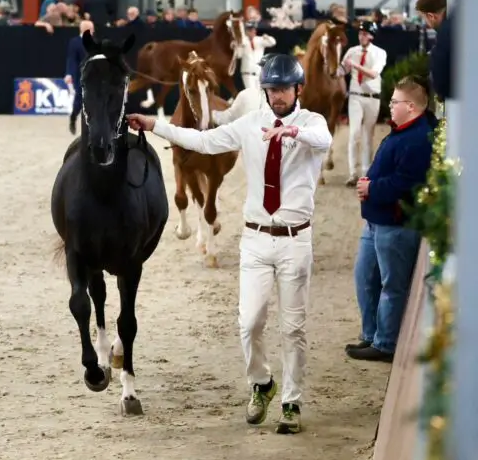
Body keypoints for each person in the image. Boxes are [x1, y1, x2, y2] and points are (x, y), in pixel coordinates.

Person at [127, 53, 332, 435]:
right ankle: (262, 384)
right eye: (272, 89)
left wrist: (291, 133)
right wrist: (155, 125)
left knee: (293, 328)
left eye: (285, 89)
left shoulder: (312, 123)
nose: (279, 96)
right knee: (249, 322)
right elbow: (203, 141)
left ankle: (291, 401)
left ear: (298, 89)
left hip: (294, 240)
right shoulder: (249, 123)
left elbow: (324, 139)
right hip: (255, 239)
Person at [347, 76, 436, 363]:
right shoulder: (406, 131)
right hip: (377, 220)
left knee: (391, 285)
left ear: (410, 106)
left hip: (395, 225)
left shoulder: (417, 138)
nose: (390, 106)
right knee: (365, 278)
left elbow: (407, 183)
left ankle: (385, 344)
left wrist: (372, 187)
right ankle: (372, 335)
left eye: (395, 102)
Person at [340, 22, 387, 185]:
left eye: (365, 34)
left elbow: (374, 73)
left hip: (372, 96)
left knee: (368, 135)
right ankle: (353, 173)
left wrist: (355, 65)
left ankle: (366, 172)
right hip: (355, 96)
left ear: (372, 36)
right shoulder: (352, 51)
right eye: (360, 33)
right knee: (354, 133)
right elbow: (341, 71)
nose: (362, 36)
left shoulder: (380, 53)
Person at [64, 20, 95, 135]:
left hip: (94, 75)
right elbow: (71, 59)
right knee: (79, 100)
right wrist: (69, 74)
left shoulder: (95, 42)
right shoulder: (75, 42)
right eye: (92, 29)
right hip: (81, 76)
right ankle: (73, 117)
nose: (94, 31)